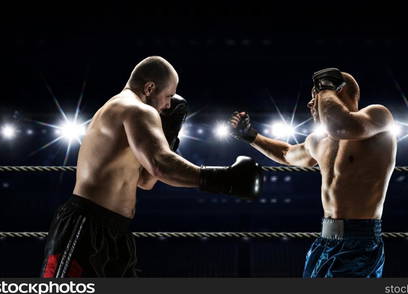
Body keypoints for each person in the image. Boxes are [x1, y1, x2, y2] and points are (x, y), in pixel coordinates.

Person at [41, 56, 262, 278]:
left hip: (115, 231)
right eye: (167, 96)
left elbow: (146, 180)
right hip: (86, 227)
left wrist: (169, 133)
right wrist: (225, 180)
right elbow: (160, 165)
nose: (168, 105)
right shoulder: (135, 109)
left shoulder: (124, 108)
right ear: (149, 87)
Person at [229, 68, 396, 278]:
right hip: (324, 240)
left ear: (337, 91)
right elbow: (287, 153)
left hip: (360, 240)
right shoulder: (320, 141)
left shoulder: (378, 116)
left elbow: (342, 127)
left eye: (314, 96)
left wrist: (325, 89)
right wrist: (251, 136)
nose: (310, 104)